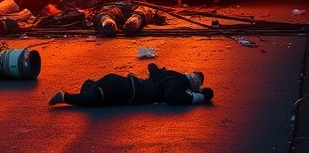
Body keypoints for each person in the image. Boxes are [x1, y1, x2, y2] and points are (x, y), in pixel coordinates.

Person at [48, 63, 214, 107]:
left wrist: (158, 70)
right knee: (93, 99)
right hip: (124, 89)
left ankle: (90, 86)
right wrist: (199, 97)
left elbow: (152, 67)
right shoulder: (177, 84)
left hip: (121, 83)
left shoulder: (172, 75)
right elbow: (172, 96)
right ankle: (65, 97)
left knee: (97, 94)